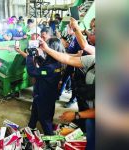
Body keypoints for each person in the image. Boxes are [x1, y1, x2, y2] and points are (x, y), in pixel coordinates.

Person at [39, 18, 95, 150]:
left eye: (93, 30)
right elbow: (68, 58)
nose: (91, 32)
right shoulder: (93, 58)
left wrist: (76, 115)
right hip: (89, 112)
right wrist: (46, 49)